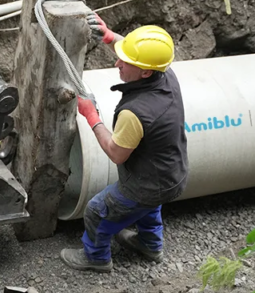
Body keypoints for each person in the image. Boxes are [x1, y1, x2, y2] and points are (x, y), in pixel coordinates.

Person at [60, 15, 189, 273]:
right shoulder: (166, 74)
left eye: (124, 61)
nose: (117, 62)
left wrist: (91, 115)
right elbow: (132, 53)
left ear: (145, 72)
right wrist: (109, 36)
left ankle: (96, 258)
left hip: (144, 184)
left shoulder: (136, 114)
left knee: (97, 211)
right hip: (173, 176)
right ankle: (150, 245)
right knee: (149, 207)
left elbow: (116, 153)